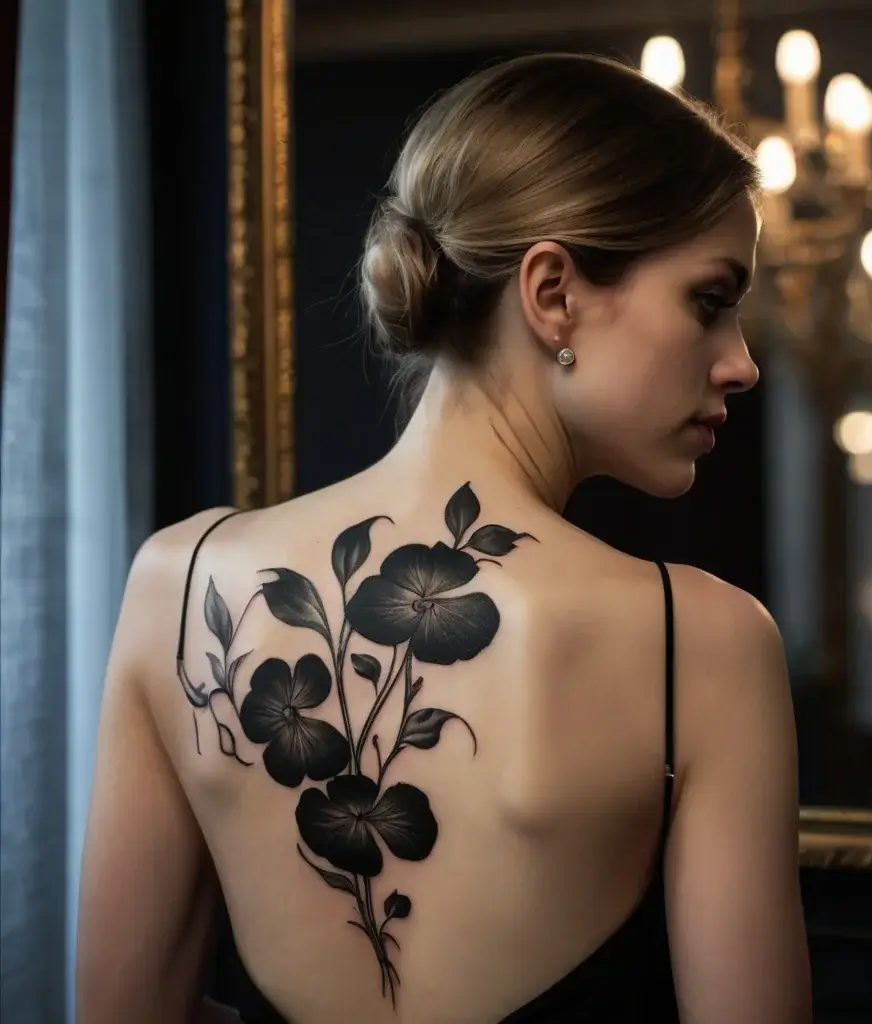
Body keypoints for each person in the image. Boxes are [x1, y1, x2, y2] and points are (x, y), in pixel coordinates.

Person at [76, 52, 811, 1024]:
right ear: (551, 293)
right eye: (710, 301)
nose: (742, 364)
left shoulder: (182, 582)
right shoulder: (705, 642)